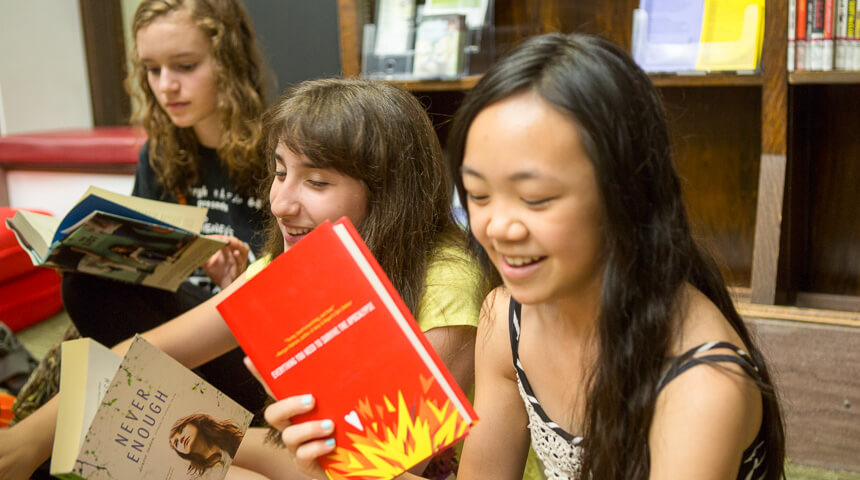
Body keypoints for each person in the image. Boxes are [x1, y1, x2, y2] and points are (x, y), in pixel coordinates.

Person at [267, 33, 787, 479]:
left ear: (627, 192)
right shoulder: (507, 316)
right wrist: (350, 465)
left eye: (536, 198)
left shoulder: (701, 385)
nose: (497, 227)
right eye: (478, 194)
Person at [0, 78, 483, 480]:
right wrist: (28, 441)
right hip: (302, 452)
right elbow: (147, 350)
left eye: (316, 182)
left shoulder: (448, 285)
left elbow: (377, 468)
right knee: (90, 445)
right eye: (279, 173)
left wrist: (215, 446)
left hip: (376, 472)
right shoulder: (301, 256)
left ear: (389, 191)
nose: (281, 203)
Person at [61, 0, 270, 416]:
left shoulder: (281, 150)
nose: (166, 86)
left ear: (229, 62)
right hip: (181, 323)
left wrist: (237, 287)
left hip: (248, 343)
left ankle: (159, 409)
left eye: (185, 66)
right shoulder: (159, 153)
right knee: (85, 282)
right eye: (152, 70)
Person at [169, 413, 244, 476]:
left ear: (193, 422)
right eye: (176, 442)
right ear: (181, 453)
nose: (181, 439)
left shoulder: (231, 433)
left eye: (181, 429)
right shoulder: (201, 477)